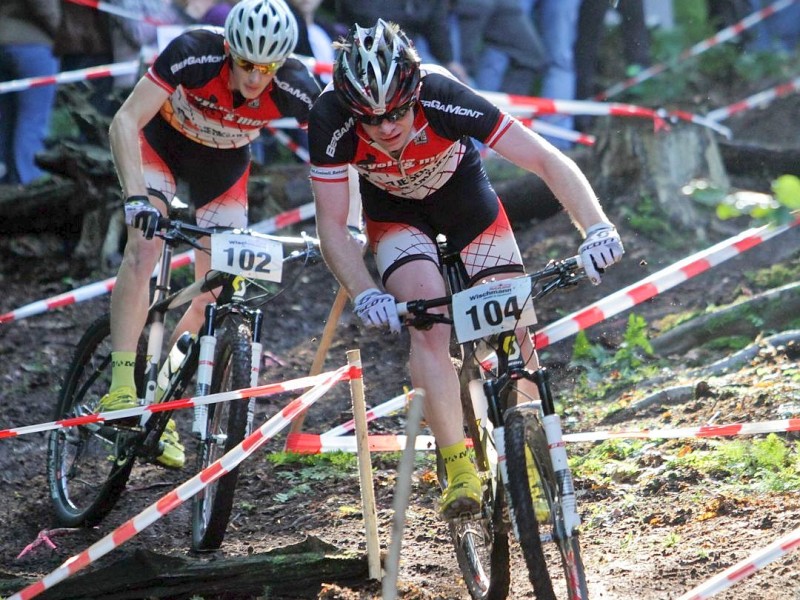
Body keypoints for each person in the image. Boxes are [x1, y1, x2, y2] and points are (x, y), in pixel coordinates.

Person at [308, 19, 623, 518]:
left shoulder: (442, 94)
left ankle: (533, 455)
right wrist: (365, 290)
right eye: (372, 120)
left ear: (415, 94)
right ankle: (458, 467)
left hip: (465, 202)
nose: (387, 127)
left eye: (398, 113)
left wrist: (597, 227)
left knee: (514, 328)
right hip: (395, 218)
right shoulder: (329, 118)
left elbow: (544, 159)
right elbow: (330, 223)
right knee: (428, 328)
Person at [101, 0, 321, 469]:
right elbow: (124, 120)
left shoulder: (298, 86)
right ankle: (120, 386)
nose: (255, 78)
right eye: (245, 63)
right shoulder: (193, 52)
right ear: (228, 49)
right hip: (161, 147)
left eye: (267, 68)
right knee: (144, 248)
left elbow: (337, 157)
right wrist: (137, 198)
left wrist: (345, 228)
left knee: (215, 290)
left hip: (222, 167)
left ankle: (159, 396)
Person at [0, 0, 61, 185]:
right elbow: (44, 7)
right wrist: (61, 31)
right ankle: (31, 183)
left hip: (3, 41)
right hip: (32, 43)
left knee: (6, 121)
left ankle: (7, 182)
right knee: (33, 120)